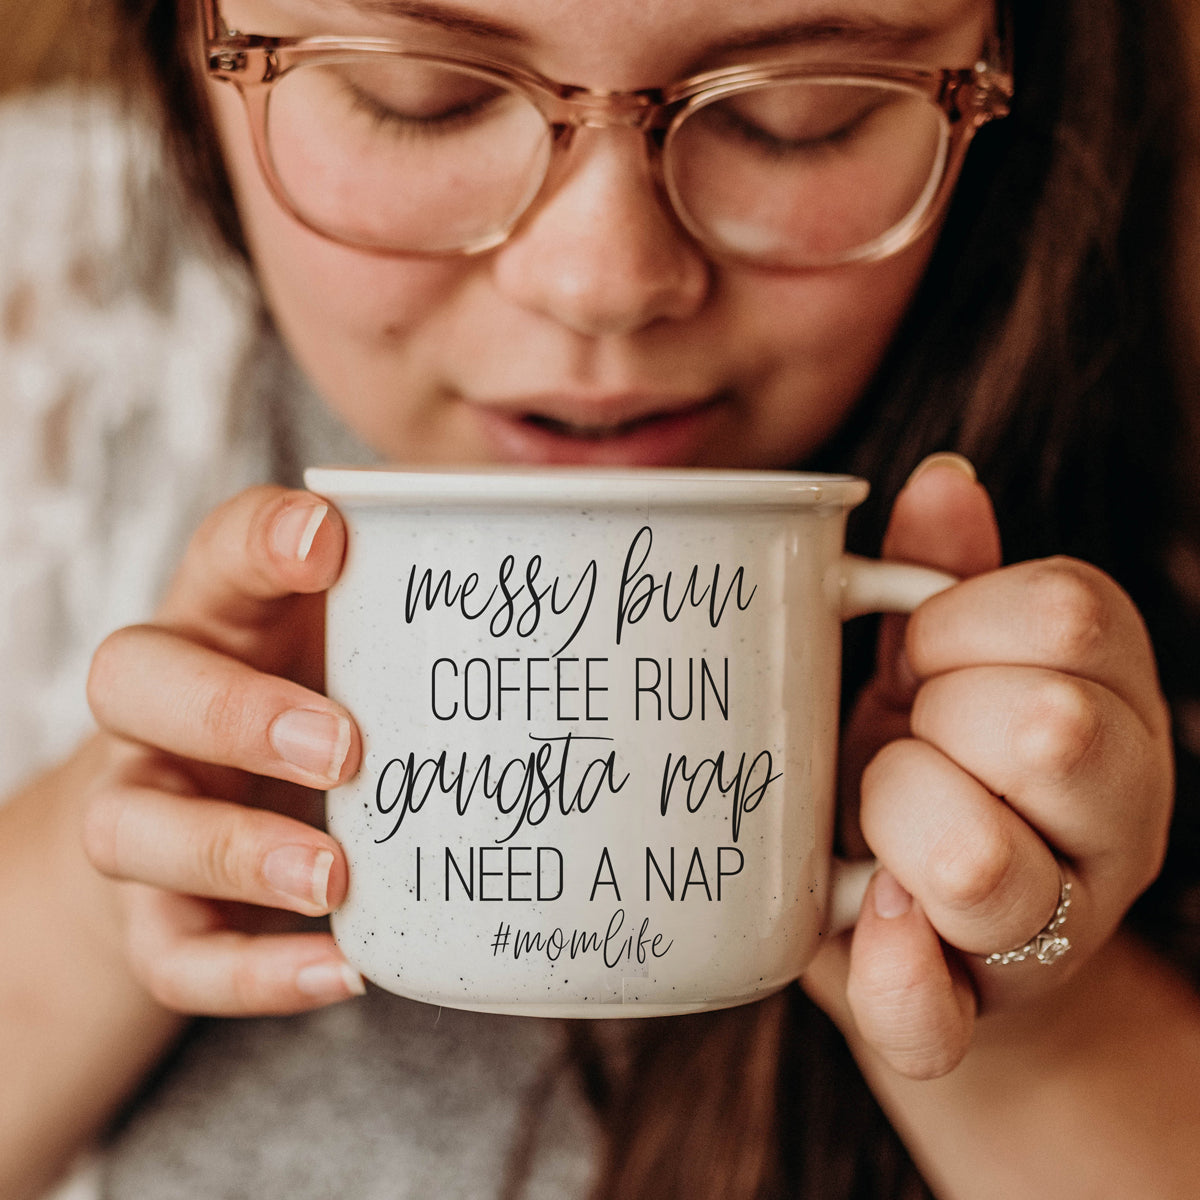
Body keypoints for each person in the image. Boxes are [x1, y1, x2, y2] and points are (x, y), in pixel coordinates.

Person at [2, 0, 1199, 1197]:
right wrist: (103, 887)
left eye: (800, 114)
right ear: (186, 48)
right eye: (419, 94)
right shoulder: (42, 328)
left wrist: (1024, 986)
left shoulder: (1159, 465)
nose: (603, 282)